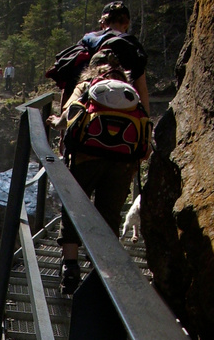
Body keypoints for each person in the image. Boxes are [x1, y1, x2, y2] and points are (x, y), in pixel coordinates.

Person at [51, 48, 149, 294]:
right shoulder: (130, 92)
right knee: (109, 214)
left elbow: (70, 114)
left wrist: (55, 123)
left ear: (92, 67)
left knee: (73, 209)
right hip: (123, 163)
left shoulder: (87, 85)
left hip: (87, 156)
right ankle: (102, 277)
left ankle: (71, 269)